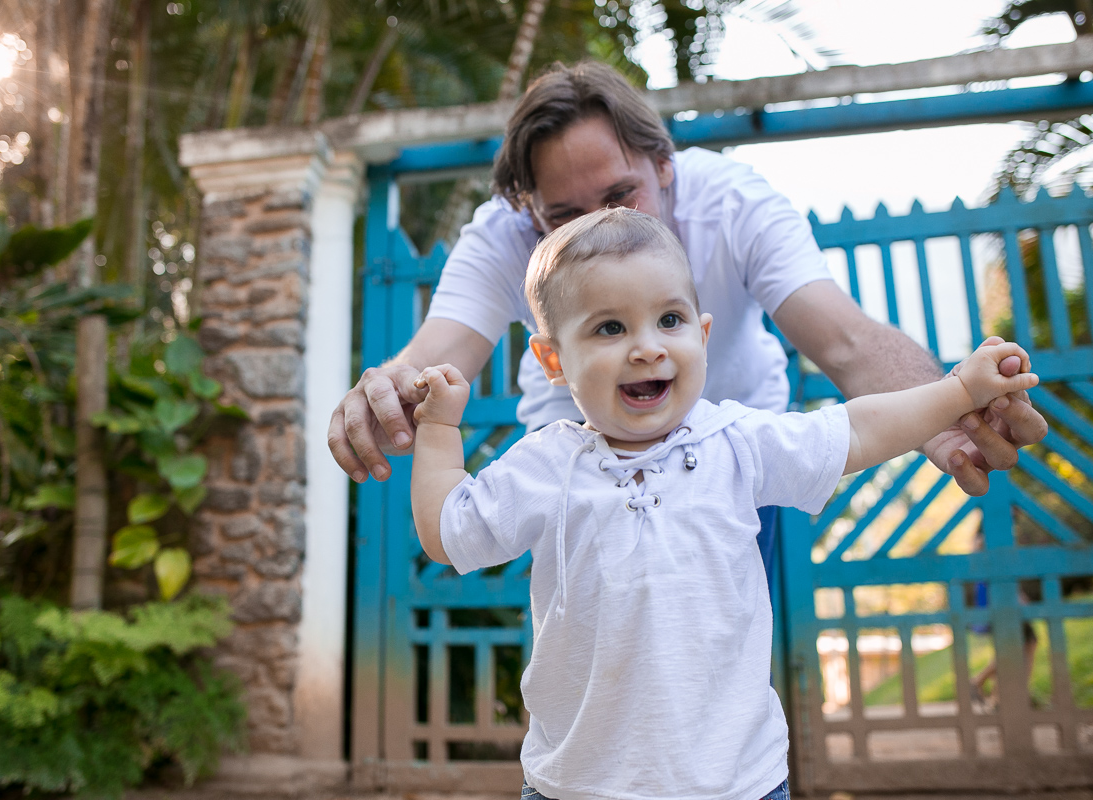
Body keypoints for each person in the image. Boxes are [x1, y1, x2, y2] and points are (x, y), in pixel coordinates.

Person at [328, 60, 1048, 589]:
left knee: (721, 641)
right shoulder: (501, 237)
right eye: (564, 217)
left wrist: (946, 408)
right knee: (586, 636)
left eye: (621, 196)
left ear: (664, 167)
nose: (598, 231)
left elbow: (845, 339)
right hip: (574, 443)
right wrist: (386, 388)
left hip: (735, 440)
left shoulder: (733, 204)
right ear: (528, 212)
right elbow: (433, 358)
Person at [409, 208, 1040, 800]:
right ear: (552, 359)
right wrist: (437, 432)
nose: (648, 347)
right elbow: (448, 533)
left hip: (738, 782)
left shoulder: (739, 443)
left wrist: (957, 390)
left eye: (670, 320)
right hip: (578, 784)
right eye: (609, 327)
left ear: (703, 334)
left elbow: (859, 430)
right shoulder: (544, 466)